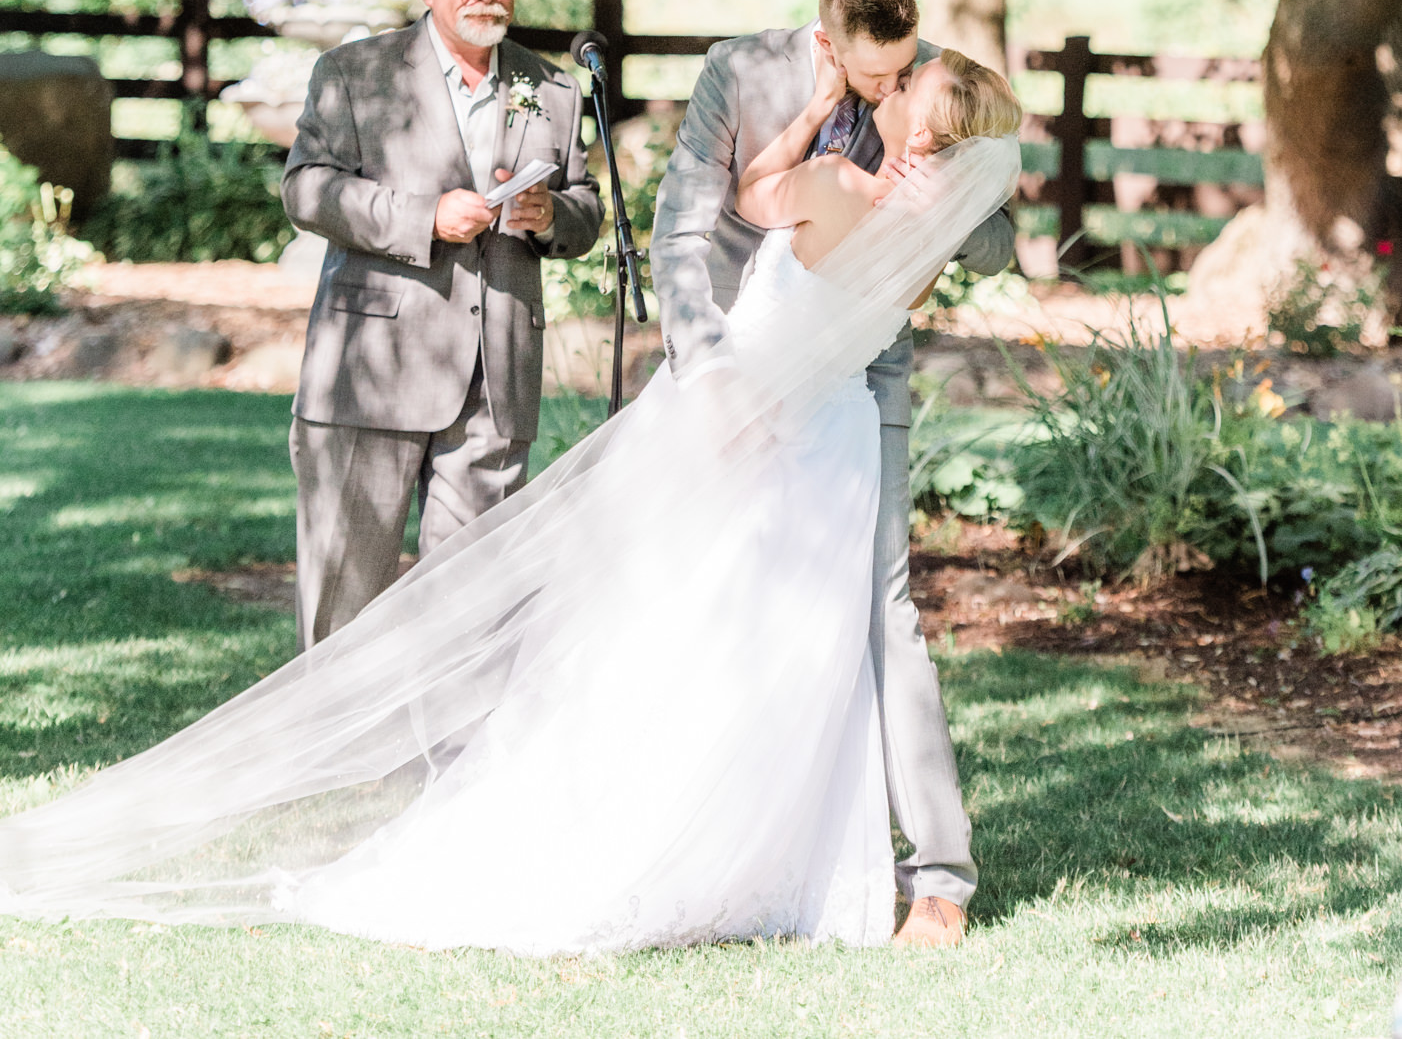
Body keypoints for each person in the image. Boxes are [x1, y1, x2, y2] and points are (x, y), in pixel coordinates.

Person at [0, 54, 1021, 951]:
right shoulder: (923, 240)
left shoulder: (835, 180)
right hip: (831, 442)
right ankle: (761, 859)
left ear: (916, 124)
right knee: (789, 644)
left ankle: (632, 836)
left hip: (733, 414)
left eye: (906, 96)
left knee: (658, 623)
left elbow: (752, 195)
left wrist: (815, 108)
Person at [649, 0, 1016, 945]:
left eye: (900, 70)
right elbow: (686, 223)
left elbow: (998, 241)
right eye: (869, 74)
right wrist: (708, 371)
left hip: (863, 375)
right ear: (827, 42)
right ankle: (721, 840)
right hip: (741, 361)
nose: (885, 87)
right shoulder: (740, 73)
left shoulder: (936, 87)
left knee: (881, 612)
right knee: (710, 587)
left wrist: (935, 191)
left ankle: (940, 876)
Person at [280, 0, 603, 648]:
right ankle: (335, 763)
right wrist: (423, 216)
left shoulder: (552, 88)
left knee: (471, 610)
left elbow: (585, 210)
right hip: (373, 372)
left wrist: (547, 215)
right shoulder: (356, 73)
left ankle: (456, 766)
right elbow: (305, 189)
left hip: (497, 380)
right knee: (342, 602)